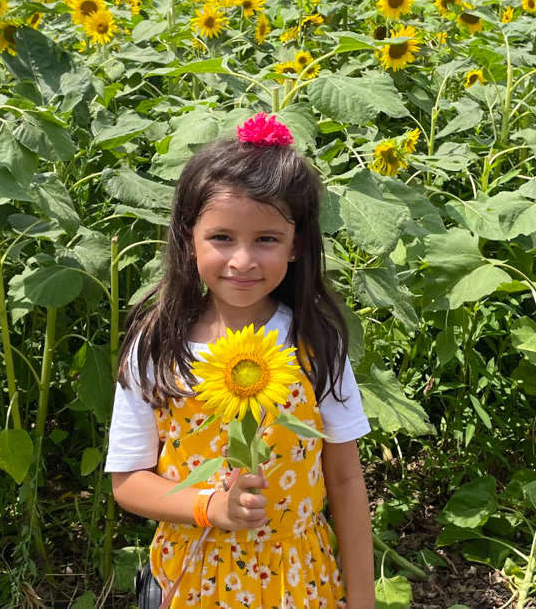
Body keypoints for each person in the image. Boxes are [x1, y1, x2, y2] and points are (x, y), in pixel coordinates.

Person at [104, 113, 375, 609]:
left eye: (266, 239)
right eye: (222, 237)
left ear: (296, 245)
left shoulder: (314, 342)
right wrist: (210, 507)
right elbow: (128, 481)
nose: (242, 261)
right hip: (192, 578)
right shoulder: (158, 343)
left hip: (297, 579)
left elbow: (344, 479)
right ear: (189, 236)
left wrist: (362, 599)